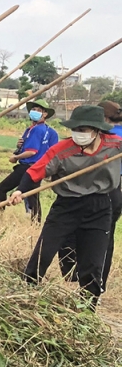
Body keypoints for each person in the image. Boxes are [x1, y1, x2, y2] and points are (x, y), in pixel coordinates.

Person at [10, 105, 122, 304]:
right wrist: (20, 190)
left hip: (100, 207)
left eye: (83, 130)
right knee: (43, 254)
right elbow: (36, 170)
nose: (78, 134)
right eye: (75, 129)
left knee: (93, 263)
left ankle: (88, 309)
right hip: (67, 206)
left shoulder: (115, 145)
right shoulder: (62, 150)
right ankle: (24, 297)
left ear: (97, 130)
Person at [0, 99, 58, 222]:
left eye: (38, 110)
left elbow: (32, 151)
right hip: (39, 168)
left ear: (45, 114)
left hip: (28, 166)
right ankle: (36, 223)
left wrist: (16, 158)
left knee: (2, 188)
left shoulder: (36, 130)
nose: (34, 112)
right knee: (32, 196)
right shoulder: (44, 130)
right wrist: (19, 148)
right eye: (33, 109)